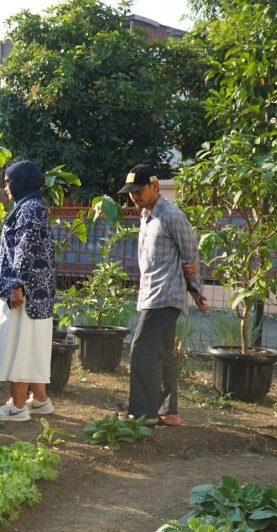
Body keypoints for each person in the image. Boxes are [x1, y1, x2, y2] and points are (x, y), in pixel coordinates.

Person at [119, 164, 207, 426]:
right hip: (151, 293)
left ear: (155, 187)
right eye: (131, 192)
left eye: (139, 190)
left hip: (166, 295)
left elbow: (190, 254)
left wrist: (196, 291)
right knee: (164, 353)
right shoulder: (146, 215)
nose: (134, 196)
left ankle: (143, 413)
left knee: (141, 349)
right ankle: (170, 412)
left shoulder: (172, 215)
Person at [0, 160, 57, 421]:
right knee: (31, 344)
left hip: (25, 294)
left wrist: (15, 287)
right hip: (36, 293)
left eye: (7, 182)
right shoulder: (31, 206)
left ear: (21, 182)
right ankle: (40, 400)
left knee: (20, 346)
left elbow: (23, 250)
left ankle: (17, 406)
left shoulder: (28, 209)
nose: (5, 187)